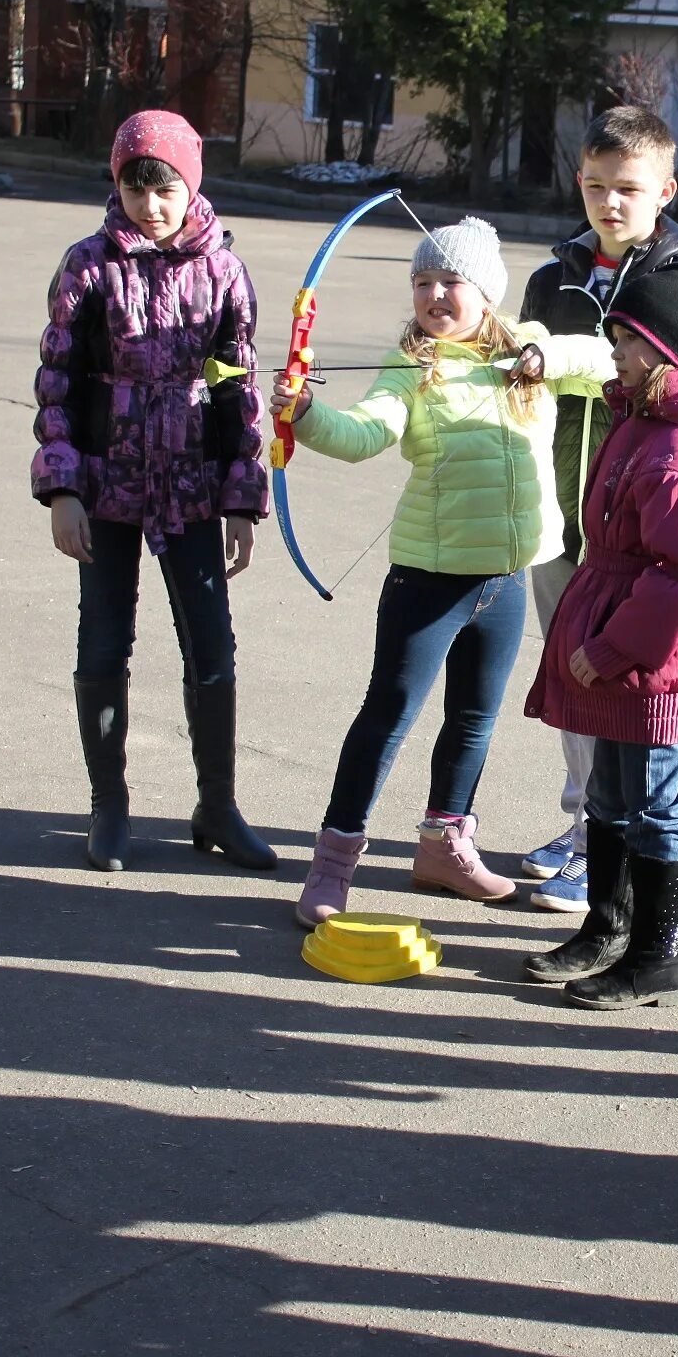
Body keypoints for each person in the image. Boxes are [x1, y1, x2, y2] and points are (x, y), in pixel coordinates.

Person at [272, 218, 612, 923]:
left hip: (506, 578)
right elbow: (364, 434)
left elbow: (606, 361)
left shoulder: (529, 351)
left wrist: (540, 359)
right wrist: (305, 414)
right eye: (422, 282)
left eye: (449, 281)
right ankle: (333, 864)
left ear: (485, 292)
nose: (433, 294)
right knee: (388, 716)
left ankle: (443, 846)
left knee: (473, 721)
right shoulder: (411, 365)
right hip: (428, 580)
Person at [516, 106, 678, 918]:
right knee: (574, 679)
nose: (609, 203)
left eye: (628, 189)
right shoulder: (556, 276)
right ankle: (581, 823)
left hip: (646, 529)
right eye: (594, 186)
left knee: (630, 687)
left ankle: (614, 855)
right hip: (558, 510)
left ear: (666, 188)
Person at [33, 109, 274, 875]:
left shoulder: (225, 270)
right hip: (106, 485)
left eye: (163, 186)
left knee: (211, 643)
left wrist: (241, 496)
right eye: (135, 187)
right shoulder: (88, 265)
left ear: (190, 183)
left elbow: (240, 390)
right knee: (104, 639)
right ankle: (109, 805)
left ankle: (218, 805)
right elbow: (56, 386)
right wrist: (63, 487)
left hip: (193, 487)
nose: (150, 204)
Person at [522, 264, 678, 1008]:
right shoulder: (639, 421)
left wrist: (614, 646)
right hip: (621, 636)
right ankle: (607, 927)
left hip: (654, 661)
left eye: (625, 338)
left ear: (666, 350)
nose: (612, 349)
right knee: (614, 796)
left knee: (654, 803)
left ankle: (656, 956)